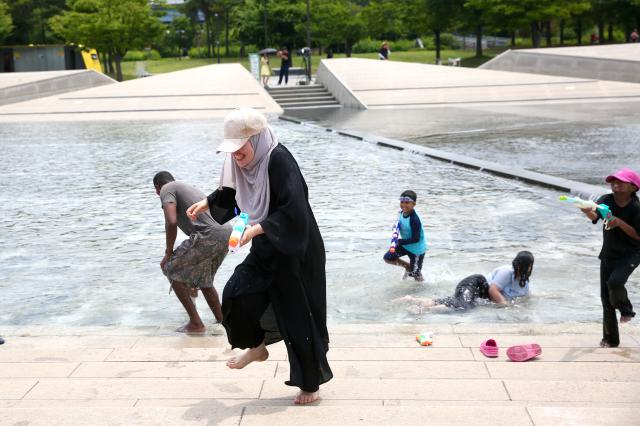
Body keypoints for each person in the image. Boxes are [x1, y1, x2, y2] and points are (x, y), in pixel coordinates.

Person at [187, 107, 332, 404]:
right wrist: (207, 202)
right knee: (236, 294)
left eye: (240, 151)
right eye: (233, 153)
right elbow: (232, 194)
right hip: (267, 242)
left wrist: (254, 231)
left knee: (298, 316)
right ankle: (257, 347)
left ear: (257, 139)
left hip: (296, 247)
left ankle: (310, 385)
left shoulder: (279, 160)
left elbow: (294, 211)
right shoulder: (241, 162)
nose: (236, 158)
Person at [154, 171, 231, 333]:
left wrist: (168, 253)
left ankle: (196, 323)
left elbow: (171, 220)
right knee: (204, 280)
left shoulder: (166, 189)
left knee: (170, 268)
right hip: (226, 232)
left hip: (208, 233)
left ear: (157, 188)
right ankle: (224, 321)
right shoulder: (185, 187)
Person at [579, 168, 640, 348]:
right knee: (606, 299)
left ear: (632, 187)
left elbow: (638, 235)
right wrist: (585, 210)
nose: (615, 184)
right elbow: (594, 215)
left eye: (620, 182)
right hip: (609, 253)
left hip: (631, 253)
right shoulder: (605, 200)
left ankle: (626, 309)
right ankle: (610, 339)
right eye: (613, 182)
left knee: (615, 282)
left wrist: (619, 223)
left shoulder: (636, 208)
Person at [395, 251, 535, 311]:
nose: (530, 269)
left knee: (453, 302)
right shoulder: (507, 271)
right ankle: (422, 310)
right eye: (529, 266)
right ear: (523, 266)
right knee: (463, 307)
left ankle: (412, 299)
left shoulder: (524, 283)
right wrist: (506, 306)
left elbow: (525, 298)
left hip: (476, 293)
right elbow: (493, 290)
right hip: (475, 284)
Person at [383, 190, 427, 281]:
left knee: (416, 275)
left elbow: (416, 239)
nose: (403, 205)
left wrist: (399, 241)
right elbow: (399, 224)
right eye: (402, 202)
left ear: (414, 204)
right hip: (405, 245)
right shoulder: (400, 213)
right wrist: (395, 228)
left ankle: (422, 289)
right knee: (388, 258)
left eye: (407, 202)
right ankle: (407, 266)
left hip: (416, 250)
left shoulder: (414, 220)